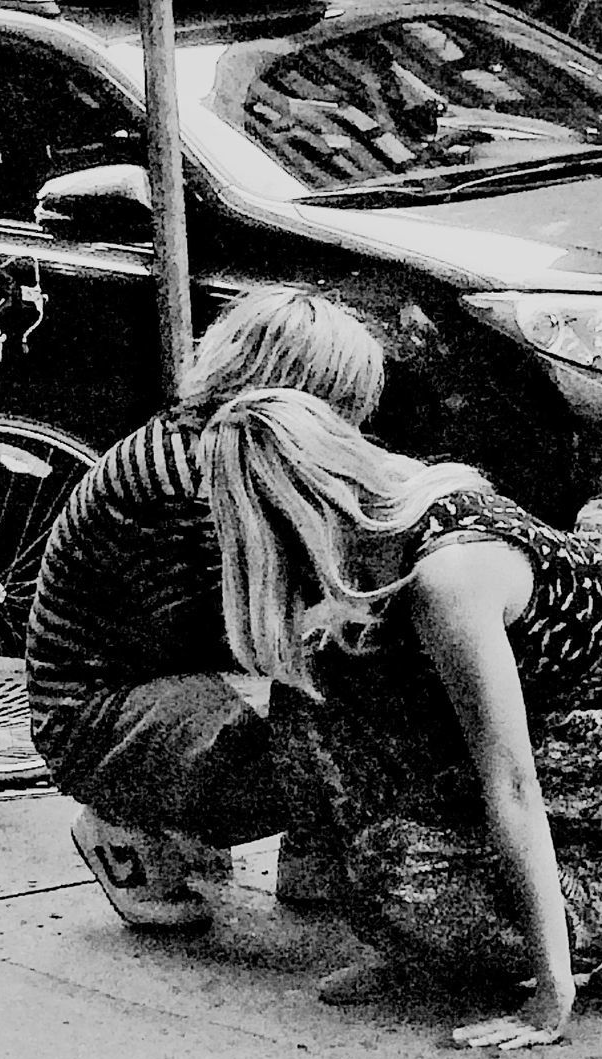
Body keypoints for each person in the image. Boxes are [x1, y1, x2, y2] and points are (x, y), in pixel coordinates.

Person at [196, 387, 602, 1050]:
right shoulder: (377, 512)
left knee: (398, 877)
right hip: (550, 689)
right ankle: (416, 942)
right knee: (308, 695)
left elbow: (512, 781)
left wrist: (550, 996)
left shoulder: (450, 575)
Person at [25, 286, 384, 931]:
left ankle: (312, 846)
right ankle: (121, 822)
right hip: (97, 716)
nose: (349, 436)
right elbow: (228, 631)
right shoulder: (183, 482)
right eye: (340, 414)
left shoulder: (206, 449)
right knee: (336, 730)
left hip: (138, 691)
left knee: (332, 697)